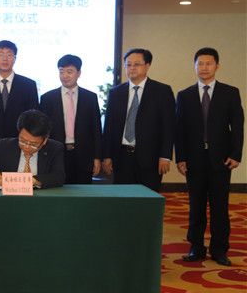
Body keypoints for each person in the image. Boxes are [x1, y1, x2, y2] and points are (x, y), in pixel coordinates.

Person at [176, 47, 244, 266]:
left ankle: (219, 250)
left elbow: (238, 126)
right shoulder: (184, 95)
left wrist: (236, 154)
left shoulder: (230, 92)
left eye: (209, 63)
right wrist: (181, 157)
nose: (204, 67)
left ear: (217, 66)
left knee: (219, 207)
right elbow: (180, 130)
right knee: (196, 206)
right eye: (200, 63)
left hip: (221, 159)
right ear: (195, 66)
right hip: (193, 159)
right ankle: (196, 247)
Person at [102, 48, 175, 192]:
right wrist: (107, 156)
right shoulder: (116, 92)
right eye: (128, 65)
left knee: (148, 199)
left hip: (150, 158)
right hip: (121, 157)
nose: (132, 68)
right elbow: (109, 127)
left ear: (147, 66)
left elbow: (169, 126)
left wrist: (165, 156)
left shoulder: (162, 91)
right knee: (123, 198)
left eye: (136, 64)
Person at [40, 54, 102, 184]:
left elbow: (96, 129)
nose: (65, 76)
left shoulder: (90, 97)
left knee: (83, 191)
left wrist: (97, 157)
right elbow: (43, 130)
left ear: (79, 73)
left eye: (69, 72)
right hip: (56, 154)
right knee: (57, 189)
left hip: (83, 155)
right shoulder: (47, 98)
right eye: (61, 71)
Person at [0, 109, 64, 189]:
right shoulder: (5, 145)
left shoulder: (54, 148)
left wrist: (33, 180)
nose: (26, 147)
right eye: (22, 141)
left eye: (33, 144)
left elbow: (59, 177)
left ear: (45, 140)